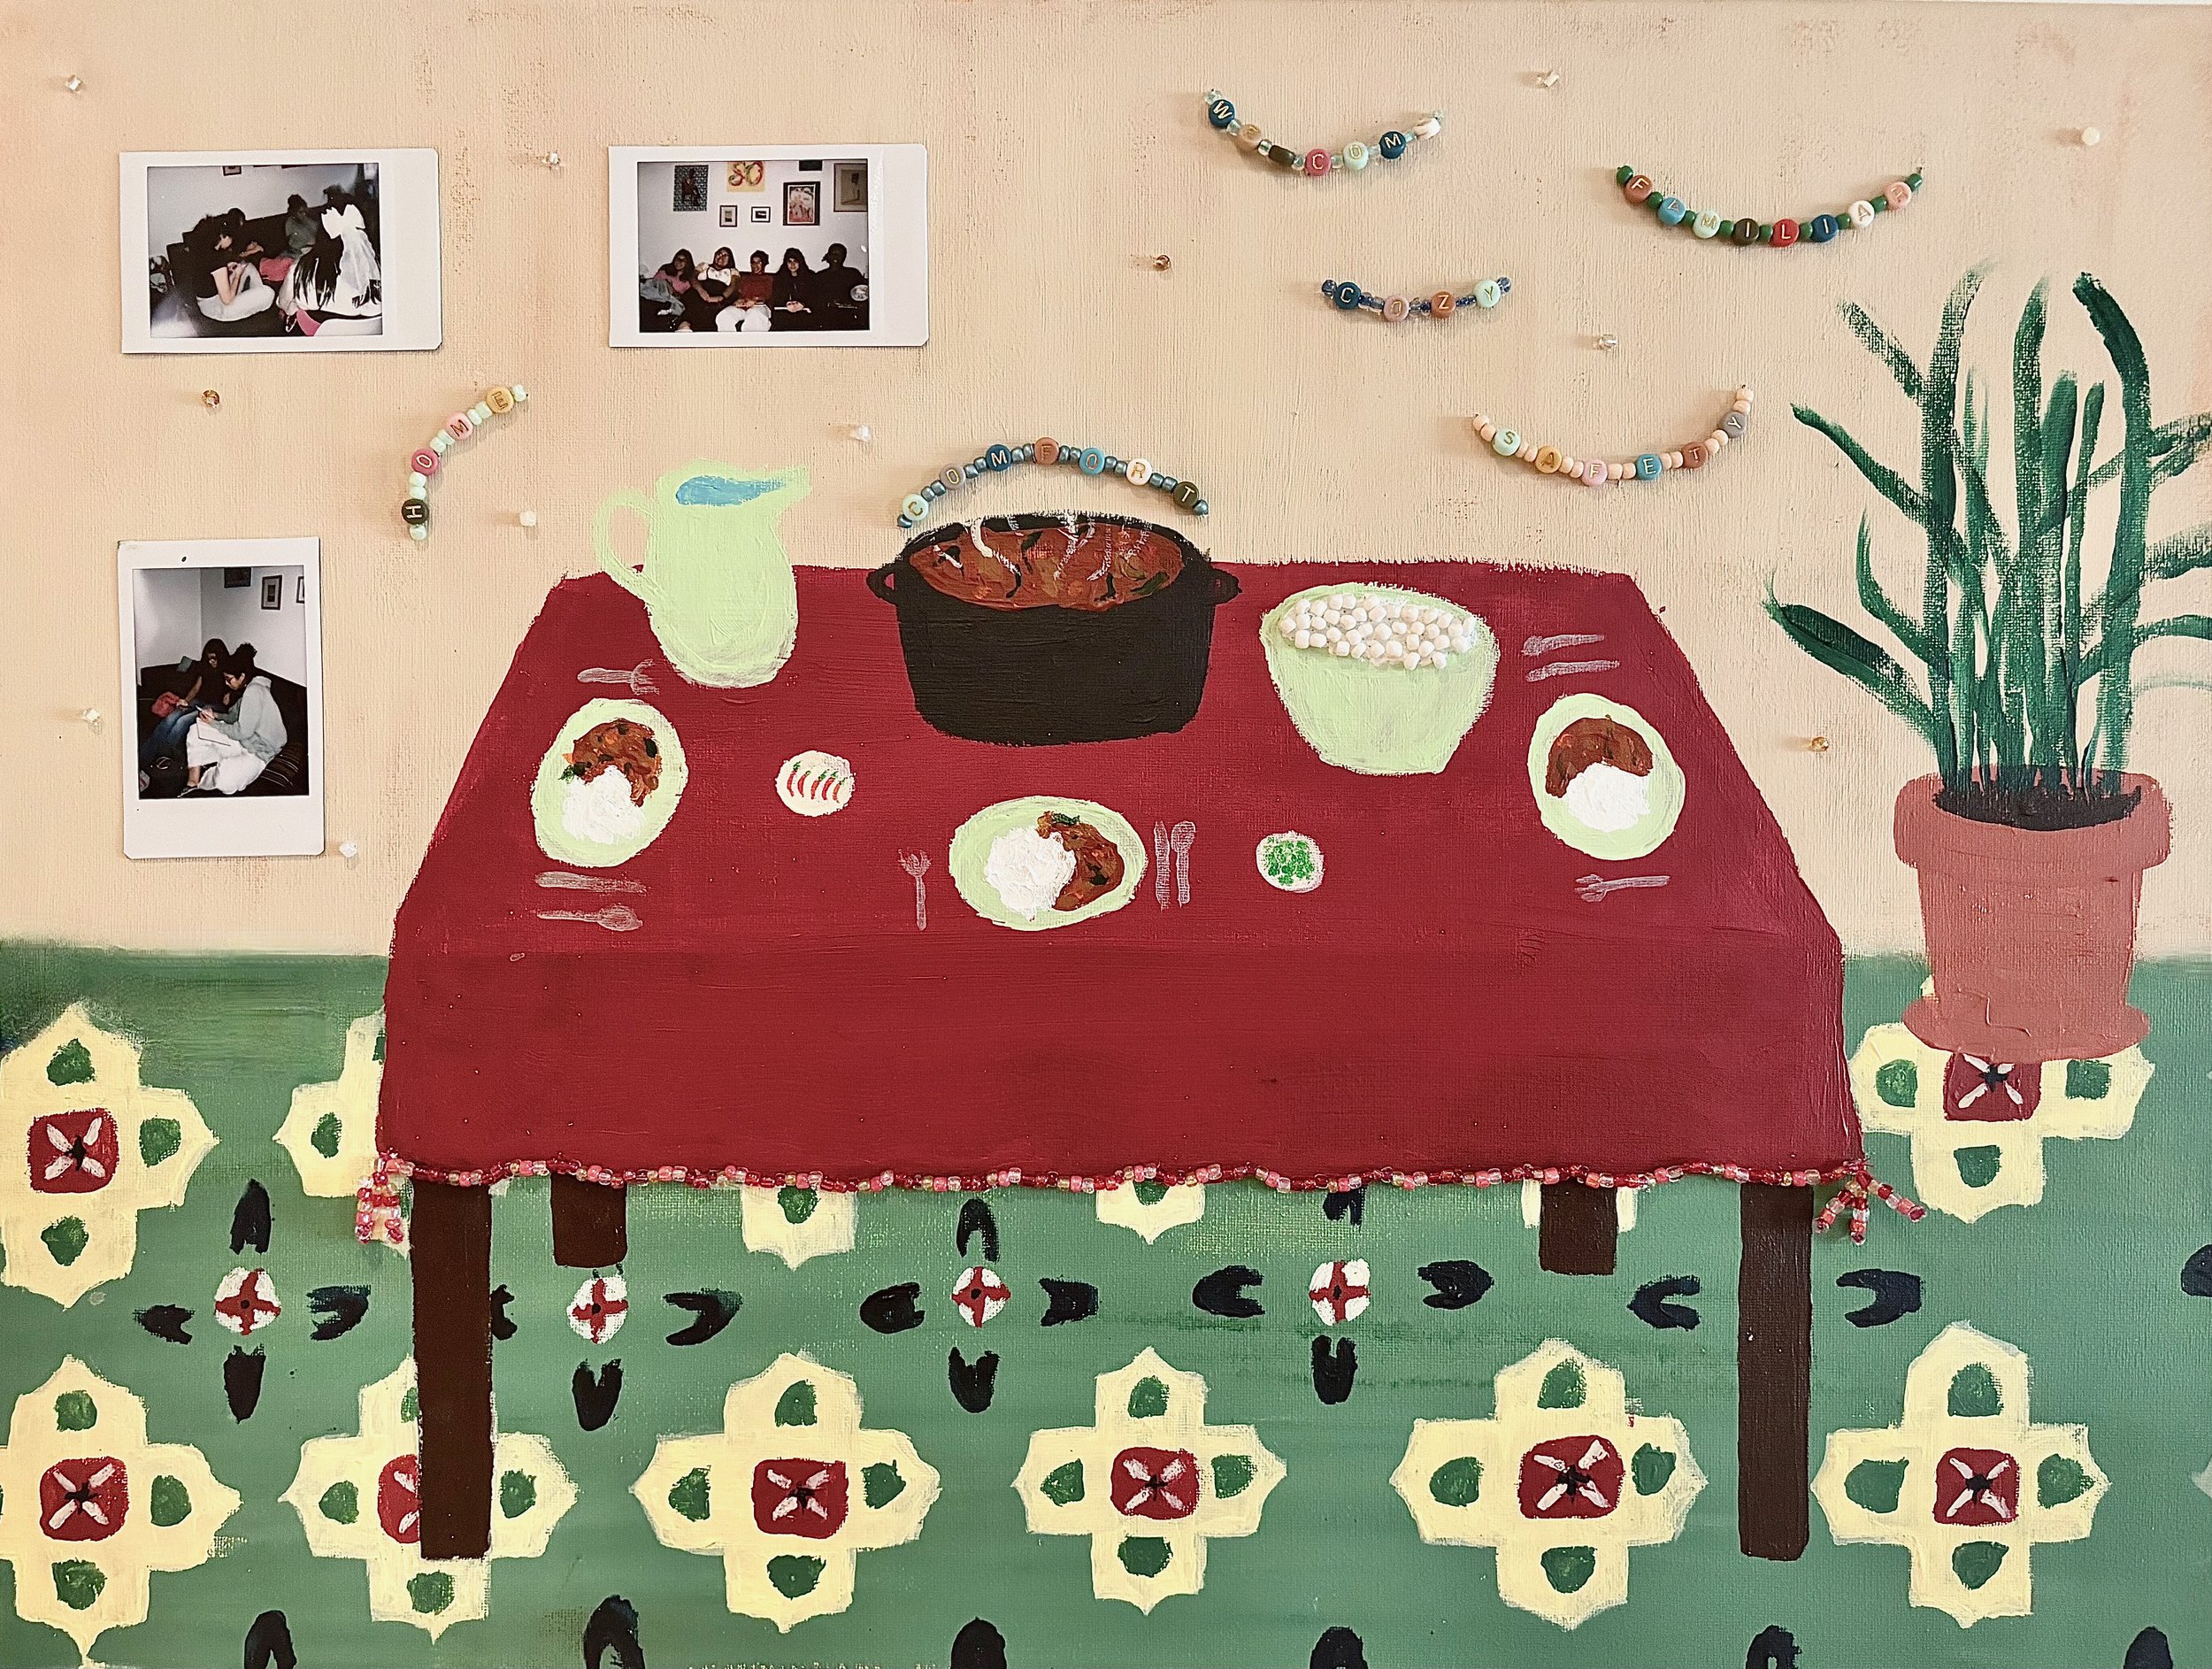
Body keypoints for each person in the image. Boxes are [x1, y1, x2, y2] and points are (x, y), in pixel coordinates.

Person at [184, 644, 287, 796]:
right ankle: (192, 784)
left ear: (242, 676)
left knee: (225, 780)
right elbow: (234, 718)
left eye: (229, 679)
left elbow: (240, 732)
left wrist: (213, 723)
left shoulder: (254, 691)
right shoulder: (247, 690)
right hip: (244, 742)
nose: (226, 683)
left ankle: (207, 778)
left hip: (259, 753)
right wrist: (216, 716)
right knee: (196, 730)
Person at [139, 638, 230, 783]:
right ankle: (141, 759)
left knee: (181, 723)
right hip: (199, 701)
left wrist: (229, 697)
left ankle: (164, 756)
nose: (211, 662)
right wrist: (186, 701)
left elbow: (234, 695)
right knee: (169, 719)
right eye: (209, 659)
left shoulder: (227, 671)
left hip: (215, 706)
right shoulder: (205, 667)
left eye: (214, 659)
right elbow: (196, 688)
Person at [185, 211, 275, 323]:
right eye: (230, 238)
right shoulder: (216, 259)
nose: (231, 241)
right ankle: (256, 297)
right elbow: (227, 300)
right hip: (217, 307)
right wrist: (237, 275)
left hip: (214, 297)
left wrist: (227, 268)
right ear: (223, 237)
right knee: (269, 293)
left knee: (247, 266)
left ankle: (253, 296)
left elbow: (208, 276)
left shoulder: (203, 251)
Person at [814, 242, 868, 330]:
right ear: (829, 255)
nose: (836, 257)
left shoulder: (853, 273)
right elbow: (816, 299)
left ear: (844, 257)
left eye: (840, 254)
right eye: (833, 254)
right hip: (827, 318)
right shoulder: (820, 276)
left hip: (850, 318)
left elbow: (862, 295)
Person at [718, 249, 775, 332]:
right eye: (753, 262)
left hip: (759, 306)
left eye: (759, 262)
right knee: (724, 315)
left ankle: (749, 343)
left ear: (764, 264)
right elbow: (738, 293)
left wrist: (755, 300)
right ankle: (729, 342)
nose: (755, 265)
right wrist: (738, 301)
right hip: (743, 307)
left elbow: (768, 295)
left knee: (754, 315)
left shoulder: (768, 279)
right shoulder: (744, 278)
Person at [649, 249, 699, 331]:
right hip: (654, 297)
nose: (678, 262)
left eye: (682, 260)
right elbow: (652, 284)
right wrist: (665, 283)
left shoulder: (687, 282)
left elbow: (684, 299)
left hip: (669, 302)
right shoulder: (664, 272)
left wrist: (671, 288)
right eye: (677, 259)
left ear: (687, 263)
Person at [691, 245, 738, 330]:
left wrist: (720, 297)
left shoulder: (733, 271)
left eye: (725, 255)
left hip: (720, 296)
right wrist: (701, 291)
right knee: (693, 303)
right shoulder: (704, 266)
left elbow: (733, 286)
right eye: (719, 254)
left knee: (713, 310)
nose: (721, 257)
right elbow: (693, 278)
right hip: (700, 293)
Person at [770, 247, 815, 330]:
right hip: (785, 311)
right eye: (789, 262)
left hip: (804, 311)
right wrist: (787, 304)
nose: (792, 265)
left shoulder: (810, 277)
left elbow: (814, 297)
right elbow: (777, 299)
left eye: (795, 261)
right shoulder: (780, 278)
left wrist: (803, 304)